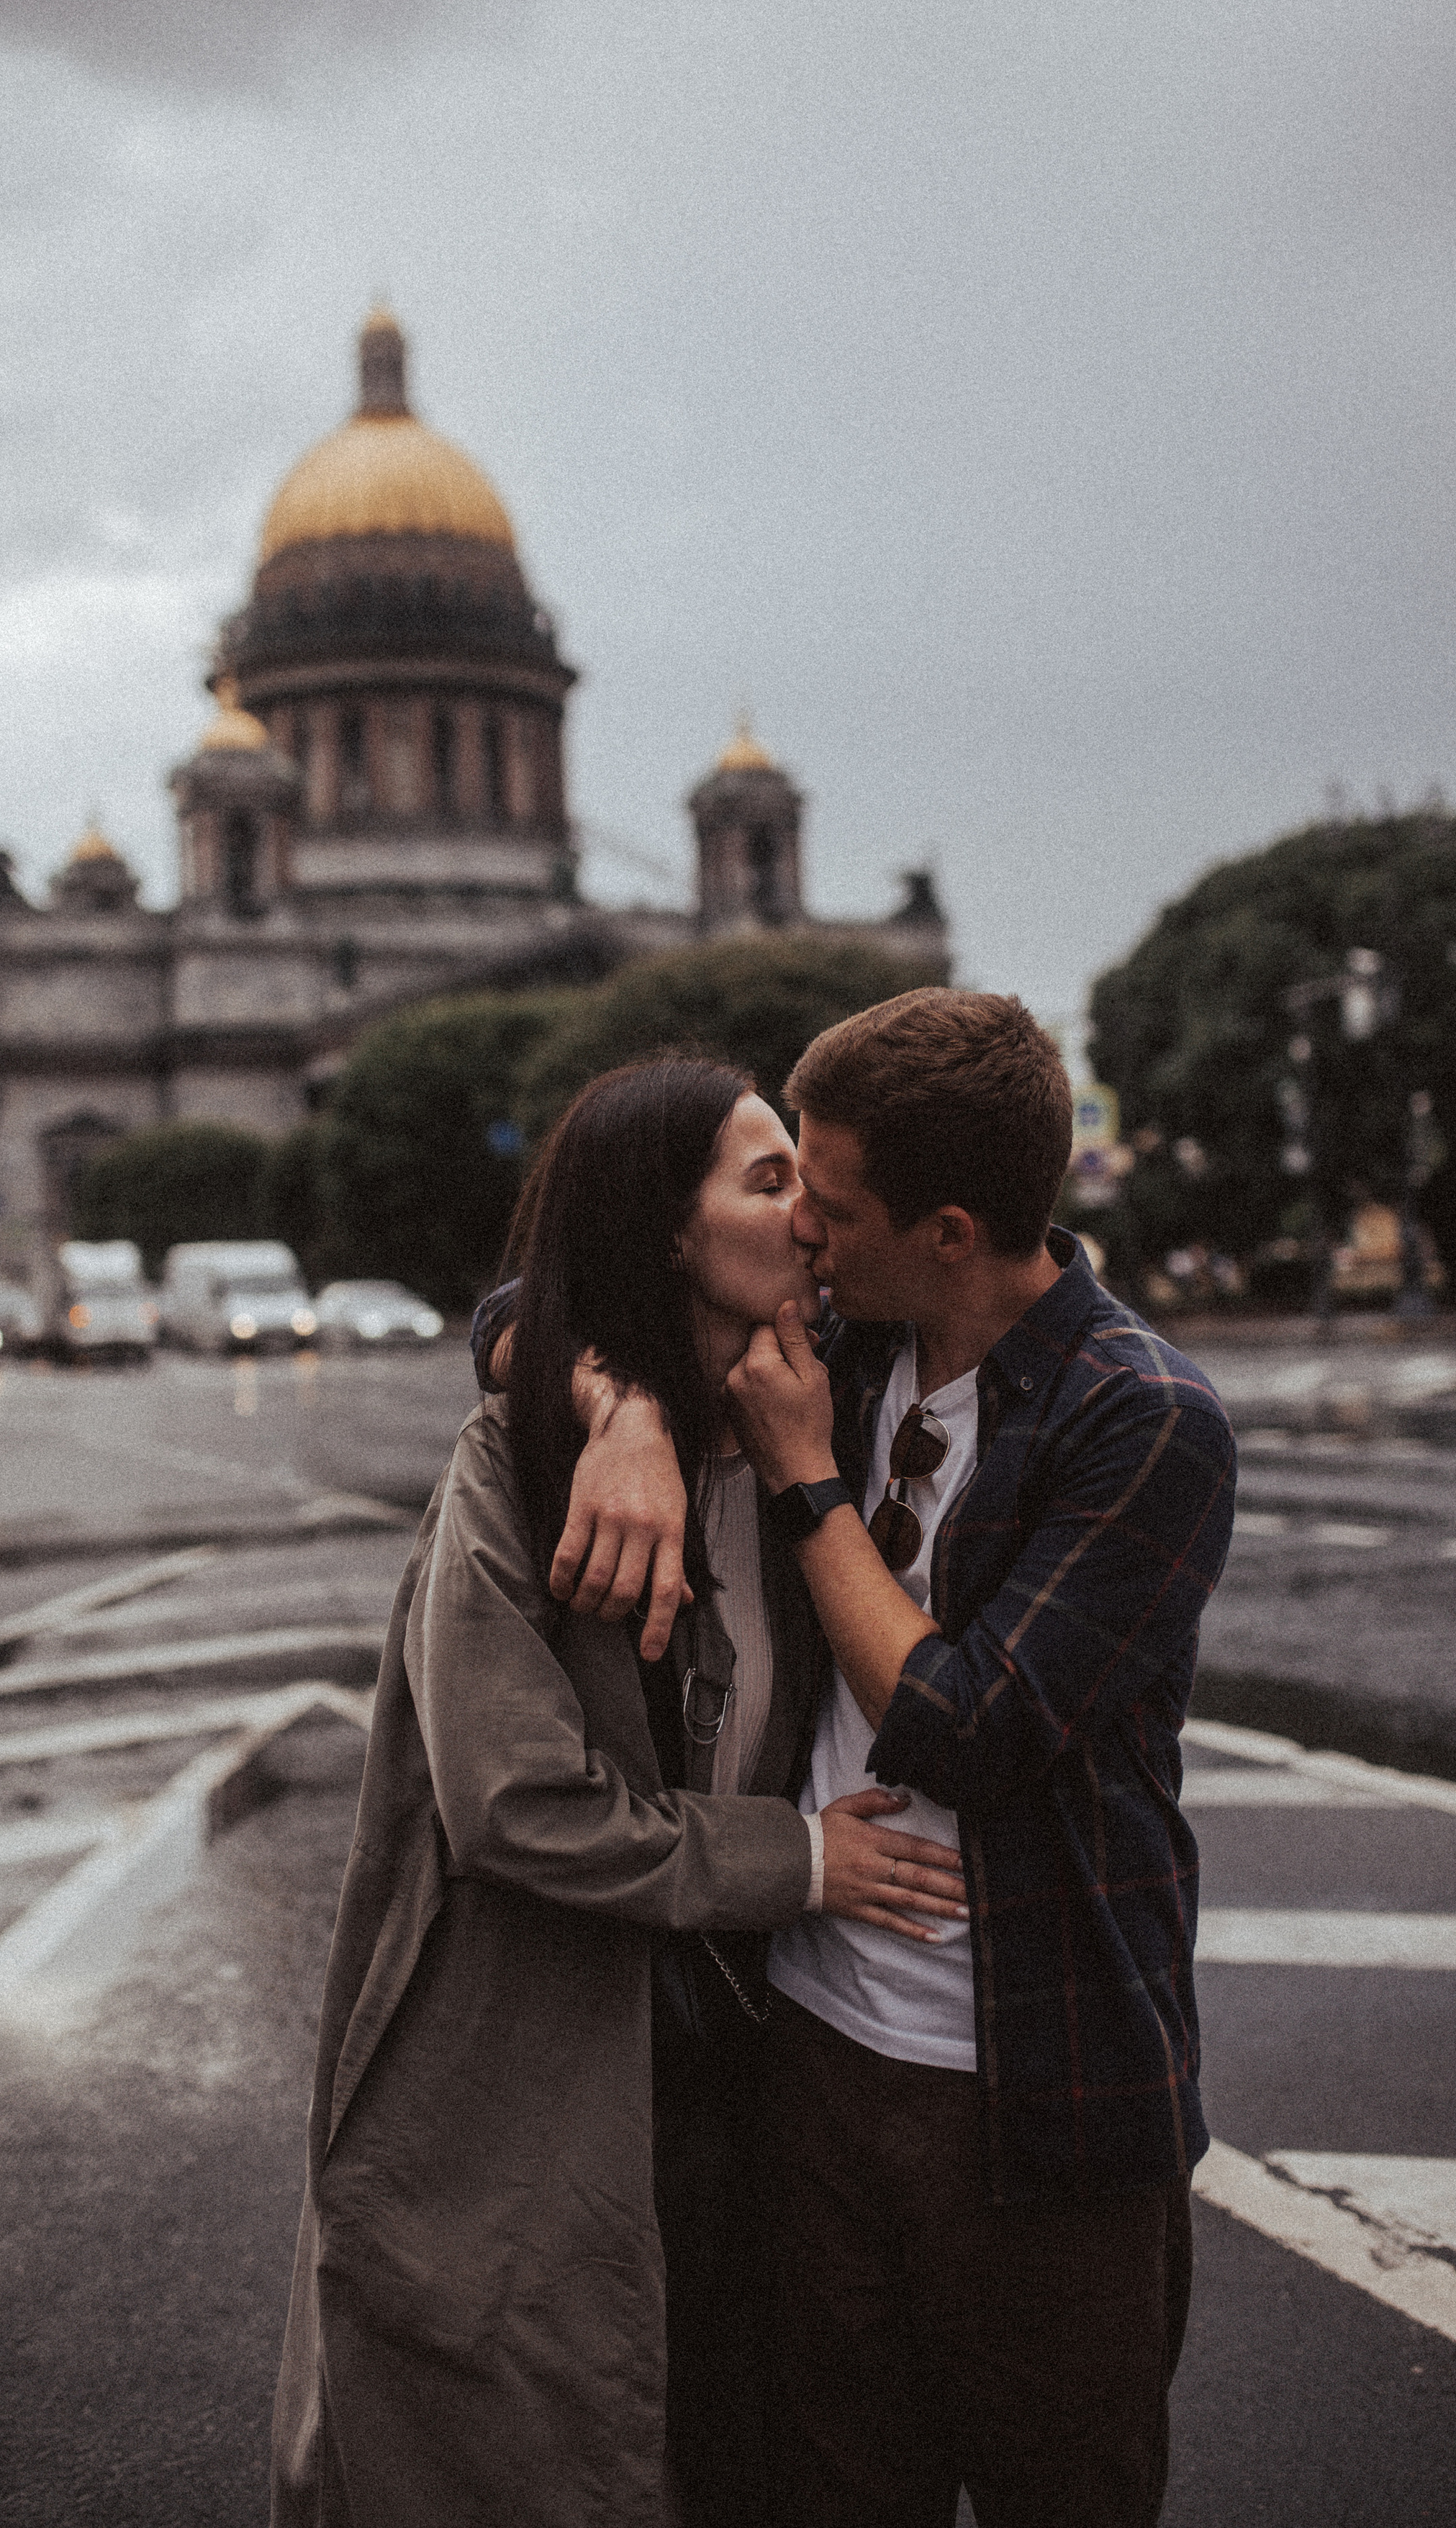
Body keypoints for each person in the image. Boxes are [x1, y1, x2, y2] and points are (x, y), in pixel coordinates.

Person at [527, 989, 1237, 2528]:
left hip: (1038, 2097)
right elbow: (525, 1310)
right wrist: (628, 1407)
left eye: (831, 1208)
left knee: (1064, 2491)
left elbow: (964, 1726)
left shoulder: (1145, 1420)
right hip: (809, 2057)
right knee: (830, 2491)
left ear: (952, 1230)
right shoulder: (848, 1341)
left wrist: (799, 1479)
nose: (803, 1241)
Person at [271, 1057, 965, 2528]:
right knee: (531, 2443)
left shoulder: (812, 1416)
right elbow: (516, 1805)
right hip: (535, 2052)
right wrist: (803, 1863)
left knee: (731, 2435)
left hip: (752, 2060)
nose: (815, 1213)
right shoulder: (520, 1472)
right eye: (770, 1181)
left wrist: (621, 1395)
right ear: (665, 1229)